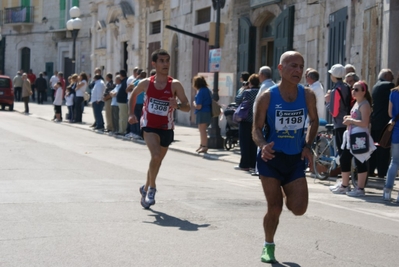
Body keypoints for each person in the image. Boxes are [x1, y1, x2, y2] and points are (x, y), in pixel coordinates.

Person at [252, 51, 318, 263]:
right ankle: (268, 245)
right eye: (292, 66)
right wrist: (262, 145)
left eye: (301, 66)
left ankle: (286, 190)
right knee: (275, 207)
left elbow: (314, 121)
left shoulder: (307, 95)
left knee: (299, 209)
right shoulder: (267, 97)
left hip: (294, 158)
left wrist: (307, 144)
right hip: (271, 158)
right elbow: (256, 129)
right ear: (281, 69)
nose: (298, 70)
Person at [128, 49, 190, 209]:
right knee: (155, 156)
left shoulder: (175, 85)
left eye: (167, 60)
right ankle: (152, 189)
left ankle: (145, 187)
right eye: (161, 61)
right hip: (148, 125)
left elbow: (187, 106)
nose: (165, 64)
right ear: (154, 64)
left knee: (157, 161)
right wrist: (131, 113)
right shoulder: (146, 83)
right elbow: (133, 95)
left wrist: (178, 105)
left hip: (167, 128)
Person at [333, 81, 376, 196]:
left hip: (360, 137)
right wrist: (349, 118)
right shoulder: (357, 103)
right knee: (344, 158)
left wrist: (351, 120)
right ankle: (345, 185)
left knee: (360, 160)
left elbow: (365, 123)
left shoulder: (365, 104)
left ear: (363, 91)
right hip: (352, 136)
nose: (353, 91)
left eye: (357, 89)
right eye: (353, 89)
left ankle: (360, 188)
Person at [369, 69, 395, 178]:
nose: (393, 79)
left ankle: (371, 170)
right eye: (391, 76)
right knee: (384, 148)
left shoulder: (376, 86)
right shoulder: (388, 86)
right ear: (386, 75)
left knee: (375, 148)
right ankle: (382, 172)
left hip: (375, 122)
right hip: (384, 123)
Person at [235, 74, 260, 172]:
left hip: (246, 120)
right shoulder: (261, 91)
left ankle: (244, 164)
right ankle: (253, 164)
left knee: (245, 143)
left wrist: (243, 89)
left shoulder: (247, 92)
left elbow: (237, 100)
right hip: (256, 120)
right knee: (254, 143)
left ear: (250, 83)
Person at [383, 80, 399, 202]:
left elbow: (389, 113)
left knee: (394, 162)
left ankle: (387, 191)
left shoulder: (393, 93)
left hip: (396, 132)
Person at [192, 75, 212, 153]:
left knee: (202, 130)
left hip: (203, 111)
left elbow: (198, 106)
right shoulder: (207, 90)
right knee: (201, 129)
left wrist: (194, 103)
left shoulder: (201, 91)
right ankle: (202, 145)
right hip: (206, 111)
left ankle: (204, 146)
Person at [131, 71, 146, 138]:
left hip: (137, 102)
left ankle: (137, 133)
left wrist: (136, 79)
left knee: (136, 118)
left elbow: (130, 86)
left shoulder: (139, 82)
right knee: (142, 118)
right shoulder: (146, 82)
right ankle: (141, 133)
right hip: (143, 102)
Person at [116, 70, 128, 135]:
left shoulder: (125, 81)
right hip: (121, 101)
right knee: (121, 116)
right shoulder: (123, 81)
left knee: (123, 117)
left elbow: (126, 91)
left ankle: (122, 130)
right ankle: (121, 130)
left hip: (123, 101)